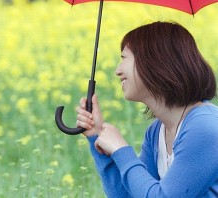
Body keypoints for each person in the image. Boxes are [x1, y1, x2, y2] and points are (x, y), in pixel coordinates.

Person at [76, 21, 218, 197]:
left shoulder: (205, 126)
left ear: (154, 61)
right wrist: (96, 136)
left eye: (124, 58)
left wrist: (121, 149)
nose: (117, 71)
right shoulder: (157, 131)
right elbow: (128, 195)